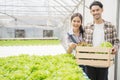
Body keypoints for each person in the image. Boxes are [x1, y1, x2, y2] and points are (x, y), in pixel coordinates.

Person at [84, 1, 119, 80]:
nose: (95, 12)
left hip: (104, 61)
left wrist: (115, 48)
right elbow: (83, 42)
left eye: (97, 10)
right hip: (90, 61)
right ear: (90, 12)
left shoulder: (110, 26)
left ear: (102, 10)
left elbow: (116, 41)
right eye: (93, 11)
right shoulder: (87, 27)